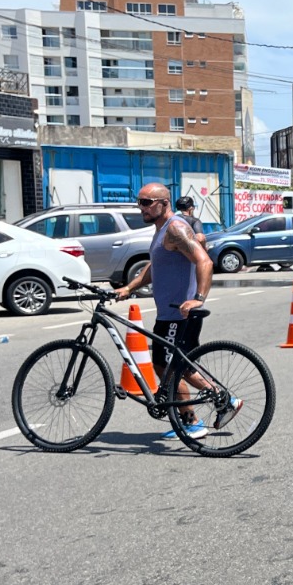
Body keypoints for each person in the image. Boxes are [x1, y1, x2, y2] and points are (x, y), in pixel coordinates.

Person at [114, 182, 234, 439]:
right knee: (174, 366)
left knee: (171, 368)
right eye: (140, 202)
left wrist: (197, 299)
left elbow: (204, 261)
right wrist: (129, 288)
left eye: (147, 203)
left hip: (178, 315)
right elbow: (155, 266)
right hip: (168, 314)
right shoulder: (160, 230)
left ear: (164, 203)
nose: (142, 208)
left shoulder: (176, 228)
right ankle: (200, 414)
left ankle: (216, 406)